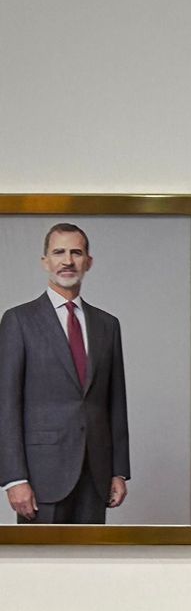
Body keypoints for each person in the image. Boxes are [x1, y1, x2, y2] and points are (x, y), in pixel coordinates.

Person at [0, 223, 130, 523]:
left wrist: (118, 470)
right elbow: (6, 405)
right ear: (45, 261)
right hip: (41, 477)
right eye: (59, 252)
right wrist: (14, 478)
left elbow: (115, 403)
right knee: (43, 569)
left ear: (89, 262)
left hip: (96, 475)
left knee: (90, 569)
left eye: (76, 252)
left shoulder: (107, 325)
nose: (67, 261)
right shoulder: (19, 320)